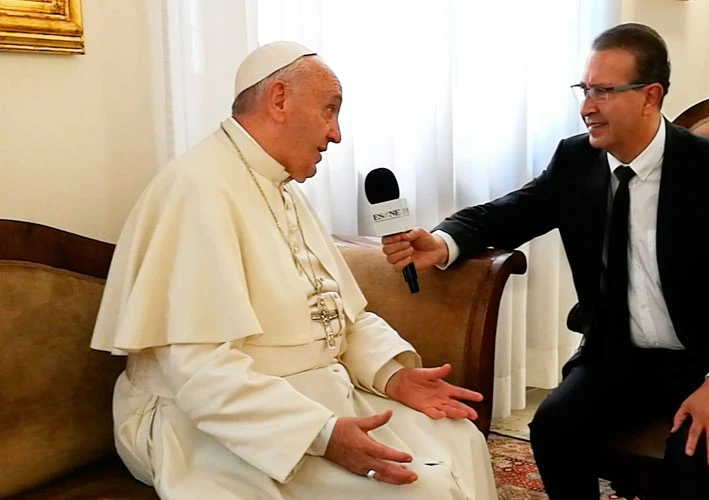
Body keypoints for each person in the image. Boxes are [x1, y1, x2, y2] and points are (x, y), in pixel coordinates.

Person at [381, 23, 709, 500]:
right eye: (584, 90)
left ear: (649, 96)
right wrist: (443, 240)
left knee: (693, 460)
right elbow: (511, 212)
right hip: (619, 353)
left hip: (708, 357)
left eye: (602, 92)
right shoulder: (576, 161)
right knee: (554, 427)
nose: (586, 108)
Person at [90, 41, 498, 500]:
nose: (336, 134)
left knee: (460, 440)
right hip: (210, 421)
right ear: (279, 99)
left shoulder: (280, 187)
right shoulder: (196, 189)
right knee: (419, 489)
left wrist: (392, 376)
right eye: (329, 111)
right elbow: (199, 369)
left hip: (310, 397)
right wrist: (320, 435)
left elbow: (339, 314)